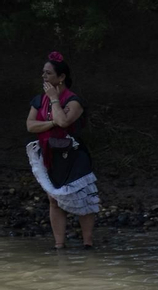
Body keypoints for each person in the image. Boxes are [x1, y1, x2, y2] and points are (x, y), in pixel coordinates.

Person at [25, 50, 98, 249]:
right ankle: (59, 245)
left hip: (74, 155)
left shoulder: (74, 101)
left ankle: (87, 243)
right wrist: (51, 122)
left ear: (61, 77)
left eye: (48, 73)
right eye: (43, 73)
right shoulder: (39, 100)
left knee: (83, 196)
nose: (44, 76)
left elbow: (64, 121)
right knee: (54, 199)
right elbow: (31, 125)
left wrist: (55, 99)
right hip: (50, 154)